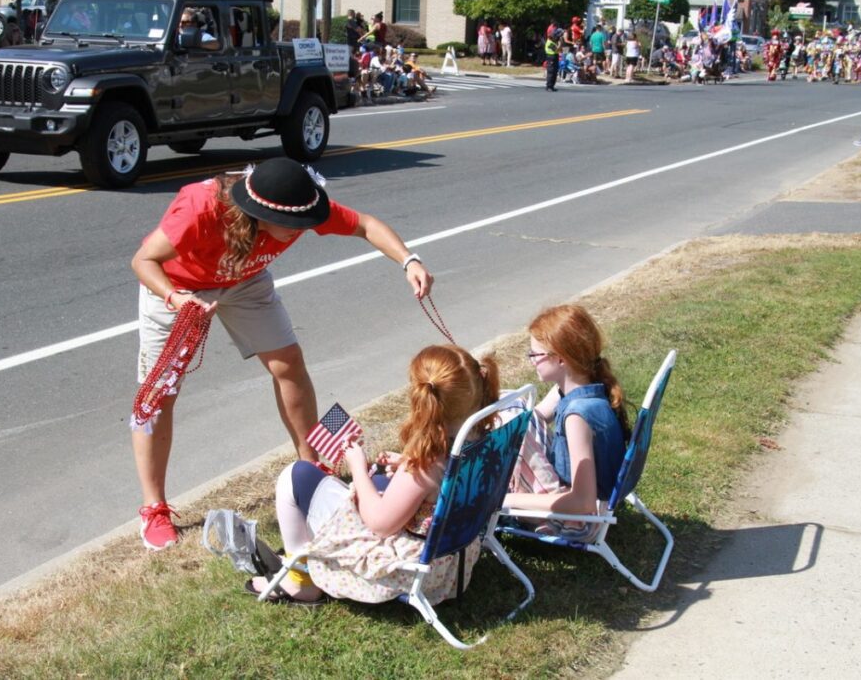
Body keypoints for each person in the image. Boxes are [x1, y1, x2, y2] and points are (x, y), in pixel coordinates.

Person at [129, 158, 434, 550]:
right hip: (176, 286)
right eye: (294, 225)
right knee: (158, 395)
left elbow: (366, 225)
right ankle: (154, 508)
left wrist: (409, 260)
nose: (304, 229)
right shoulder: (200, 208)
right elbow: (143, 259)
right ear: (261, 214)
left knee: (288, 363)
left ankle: (312, 471)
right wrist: (176, 297)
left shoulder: (299, 204)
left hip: (244, 281)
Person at [246, 344, 500, 604]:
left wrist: (357, 467)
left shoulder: (430, 460)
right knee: (378, 478)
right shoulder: (481, 435)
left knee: (296, 476)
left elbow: (380, 524)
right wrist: (404, 465)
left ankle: (300, 582)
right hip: (454, 557)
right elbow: (438, 485)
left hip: (414, 570)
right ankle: (303, 560)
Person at [502, 305, 629, 538]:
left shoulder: (577, 416)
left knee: (511, 428)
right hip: (593, 504)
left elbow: (583, 502)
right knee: (516, 412)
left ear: (561, 359)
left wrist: (507, 499)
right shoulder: (584, 384)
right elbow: (533, 417)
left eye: (535, 355)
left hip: (582, 520)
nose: (531, 361)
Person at [544, 27, 562, 91]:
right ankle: (549, 86)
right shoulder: (549, 43)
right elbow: (557, 49)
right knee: (551, 72)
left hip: (555, 56)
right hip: (551, 57)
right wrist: (560, 44)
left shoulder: (553, 42)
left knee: (555, 72)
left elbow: (559, 50)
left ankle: (552, 86)